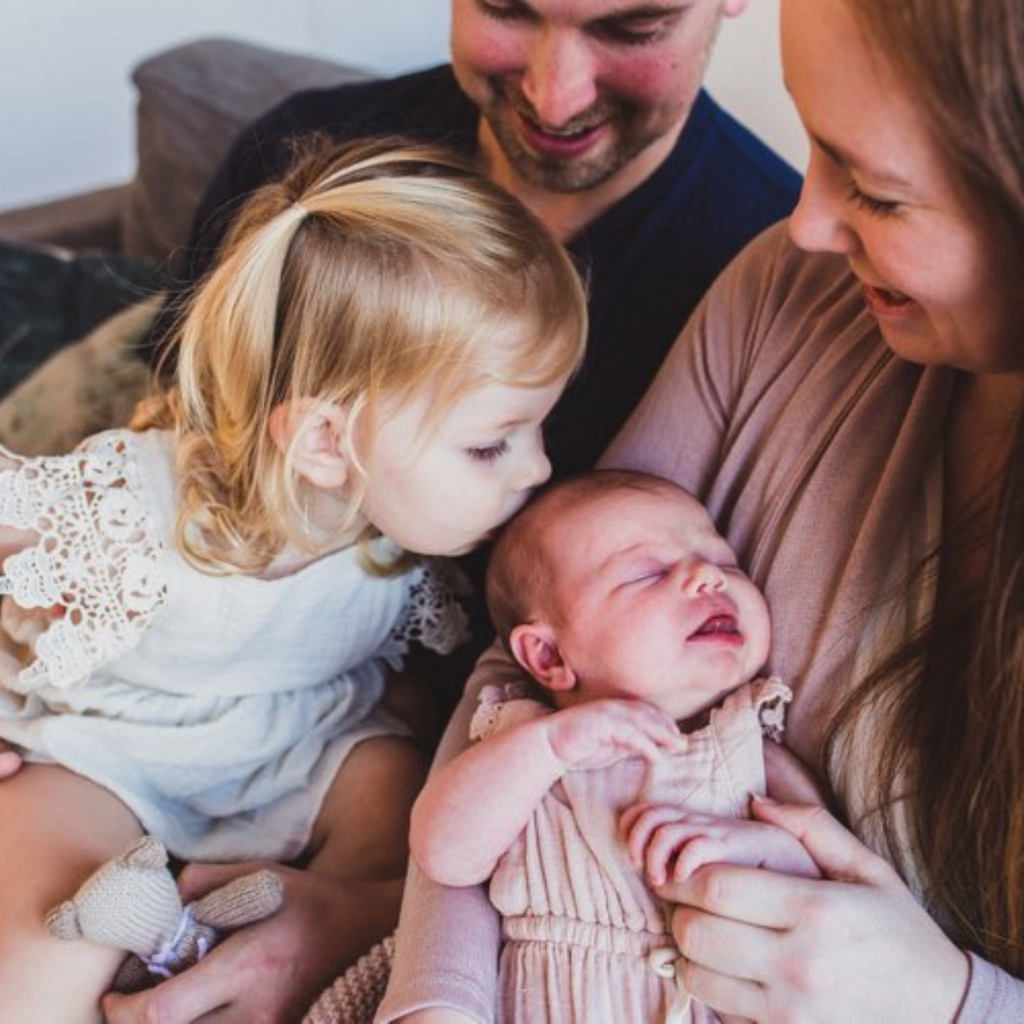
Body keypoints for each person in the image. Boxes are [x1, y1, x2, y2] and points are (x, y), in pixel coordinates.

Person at [381, 0, 1024, 1019]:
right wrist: (431, 990)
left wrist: (954, 1002)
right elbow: (531, 656)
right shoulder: (788, 289)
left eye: (877, 193)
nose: (804, 220)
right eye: (815, 146)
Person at [0, 136, 587, 1022]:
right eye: (491, 443)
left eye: (537, 428)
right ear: (323, 442)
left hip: (308, 742)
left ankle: (262, 949)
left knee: (404, 812)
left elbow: (400, 691)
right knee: (37, 956)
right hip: (114, 748)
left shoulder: (396, 537)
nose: (537, 468)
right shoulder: (138, 502)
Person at [410, 469, 820, 1022]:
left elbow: (820, 878)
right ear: (550, 658)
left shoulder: (749, 749)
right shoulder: (522, 746)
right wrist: (550, 747)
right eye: (649, 573)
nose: (707, 576)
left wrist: (760, 849)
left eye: (725, 562)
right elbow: (444, 853)